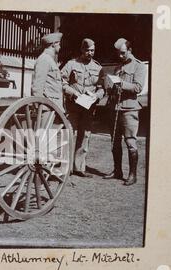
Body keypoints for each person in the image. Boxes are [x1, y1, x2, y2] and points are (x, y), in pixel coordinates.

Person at [103, 38, 146, 186]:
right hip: (115, 108)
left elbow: (138, 88)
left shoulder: (139, 66)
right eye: (118, 53)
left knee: (130, 142)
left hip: (129, 109)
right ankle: (117, 171)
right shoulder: (118, 66)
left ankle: (132, 175)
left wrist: (122, 83)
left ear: (130, 50)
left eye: (123, 53)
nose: (120, 56)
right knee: (115, 141)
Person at [61, 38, 105, 177]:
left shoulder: (98, 68)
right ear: (82, 50)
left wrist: (97, 96)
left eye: (92, 50)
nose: (90, 53)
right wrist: (73, 93)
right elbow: (62, 82)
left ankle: (79, 168)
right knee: (69, 133)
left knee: (85, 135)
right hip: (73, 106)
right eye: (87, 50)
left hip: (88, 107)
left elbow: (102, 88)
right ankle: (66, 168)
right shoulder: (71, 64)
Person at [31, 32, 64, 112]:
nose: (60, 46)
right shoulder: (44, 59)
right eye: (59, 44)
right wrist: (38, 105)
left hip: (54, 105)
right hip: (47, 107)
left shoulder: (49, 60)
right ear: (53, 44)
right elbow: (38, 84)